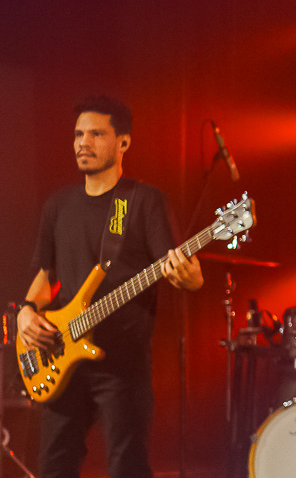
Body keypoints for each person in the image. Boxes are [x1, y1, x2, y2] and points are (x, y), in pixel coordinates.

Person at [16, 96, 203, 478]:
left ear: (123, 142)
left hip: (122, 366)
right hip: (58, 354)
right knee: (53, 467)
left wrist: (193, 277)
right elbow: (43, 276)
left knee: (126, 467)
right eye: (78, 134)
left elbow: (177, 266)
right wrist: (26, 312)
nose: (83, 143)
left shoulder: (143, 200)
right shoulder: (58, 205)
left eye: (96, 134)